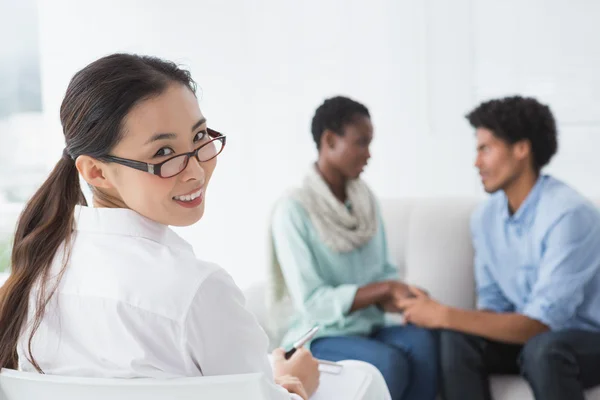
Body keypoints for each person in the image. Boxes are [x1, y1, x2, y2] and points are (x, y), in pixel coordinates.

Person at [0, 54, 390, 400]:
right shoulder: (197, 291)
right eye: (164, 153)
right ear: (96, 171)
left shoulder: (37, 272)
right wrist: (291, 381)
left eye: (200, 137)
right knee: (363, 381)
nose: (196, 169)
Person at [397, 96, 600, 400]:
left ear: (521, 149)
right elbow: (493, 305)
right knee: (458, 339)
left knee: (543, 349)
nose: (476, 162)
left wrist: (443, 314)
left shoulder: (569, 214)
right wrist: (442, 314)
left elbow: (542, 324)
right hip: (534, 340)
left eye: (486, 149)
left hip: (585, 339)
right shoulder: (485, 218)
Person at [270, 96, 438, 400]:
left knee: (425, 343)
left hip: (369, 327)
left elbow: (384, 274)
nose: (369, 154)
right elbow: (313, 303)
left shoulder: (365, 201)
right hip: (319, 335)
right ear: (330, 140)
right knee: (389, 362)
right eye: (361, 143)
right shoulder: (293, 210)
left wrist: (407, 297)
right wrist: (385, 289)